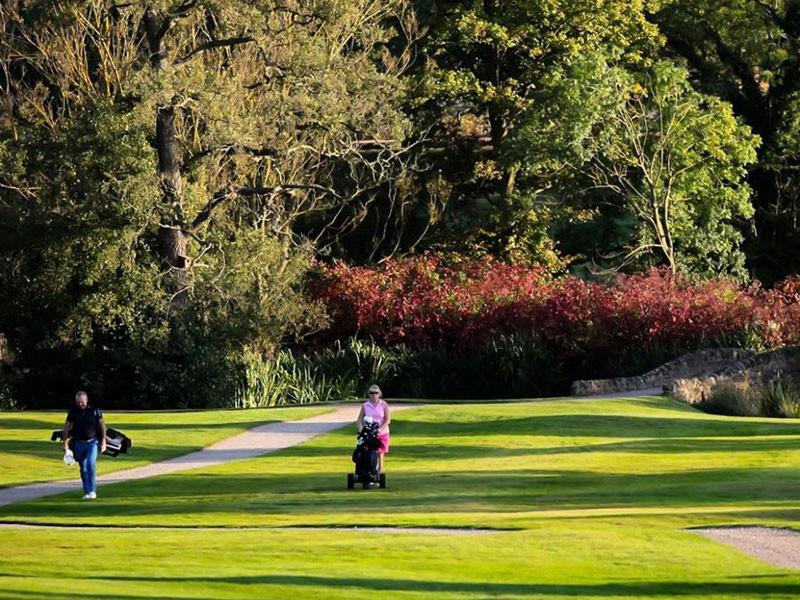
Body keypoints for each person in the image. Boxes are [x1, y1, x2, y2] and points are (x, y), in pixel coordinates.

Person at [62, 391, 107, 500]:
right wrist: (65, 442)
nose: (80, 404)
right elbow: (67, 427)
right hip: (78, 443)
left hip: (92, 443)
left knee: (91, 464)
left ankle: (92, 491)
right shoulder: (73, 411)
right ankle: (87, 492)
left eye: (82, 402)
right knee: (83, 468)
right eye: (78, 402)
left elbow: (102, 426)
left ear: (86, 400)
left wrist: (104, 441)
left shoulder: (95, 411)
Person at [356, 384, 391, 473]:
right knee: (367, 451)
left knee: (380, 452)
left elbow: (387, 420)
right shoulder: (365, 405)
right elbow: (359, 419)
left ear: (379, 394)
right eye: (371, 393)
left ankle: (380, 470)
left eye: (376, 393)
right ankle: (369, 470)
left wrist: (380, 429)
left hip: (381, 431)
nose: (374, 395)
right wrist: (360, 430)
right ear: (369, 394)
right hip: (368, 431)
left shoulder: (384, 405)